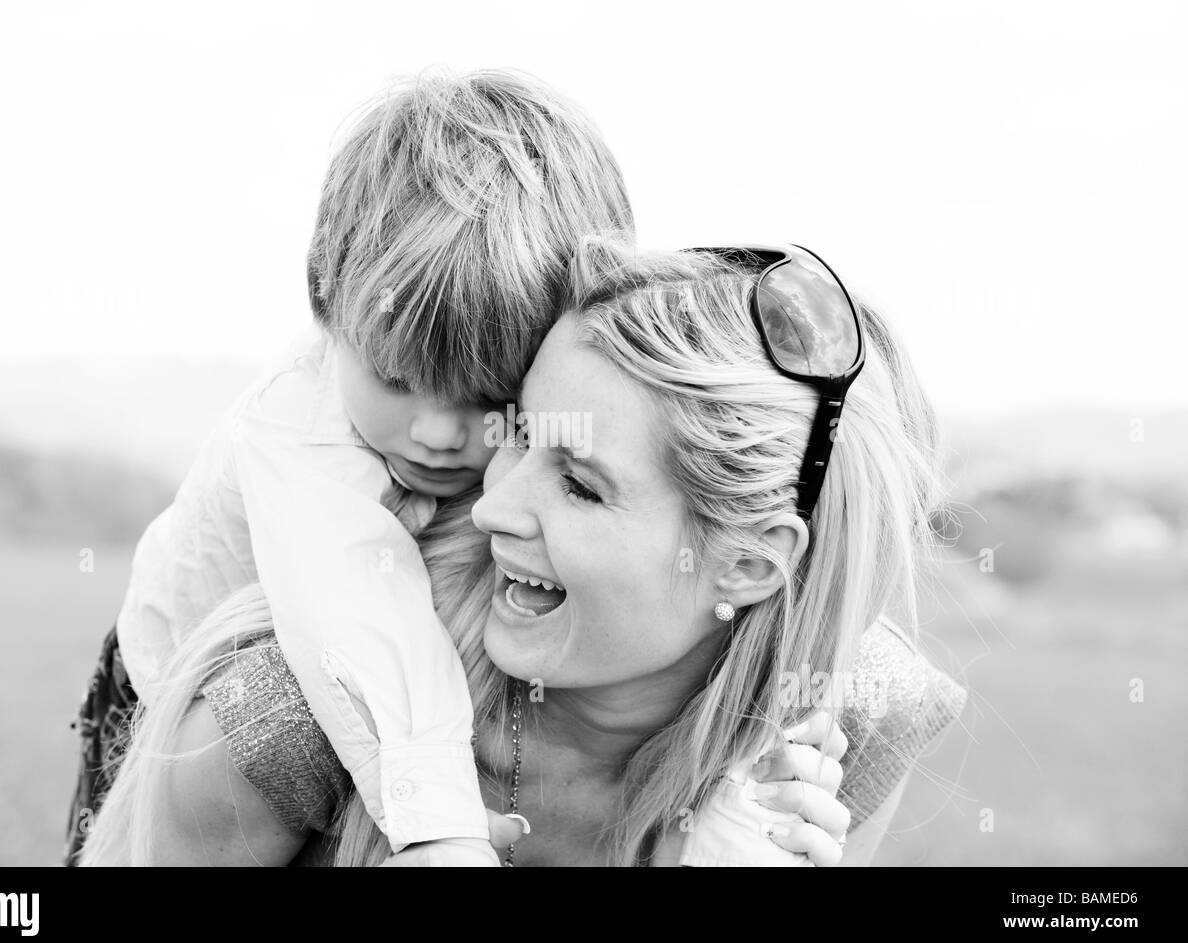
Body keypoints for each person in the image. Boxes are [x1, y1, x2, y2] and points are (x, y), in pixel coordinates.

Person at [81, 236, 966, 866]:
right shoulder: (299, 713)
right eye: (516, 434)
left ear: (745, 563)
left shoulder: (850, 723)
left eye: (579, 485)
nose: (493, 506)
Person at [65, 68, 635, 865]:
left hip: (353, 717)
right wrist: (440, 827)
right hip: (167, 692)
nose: (438, 434)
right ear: (330, 304)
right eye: (396, 380)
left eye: (486, 394)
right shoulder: (296, 426)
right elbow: (358, 609)